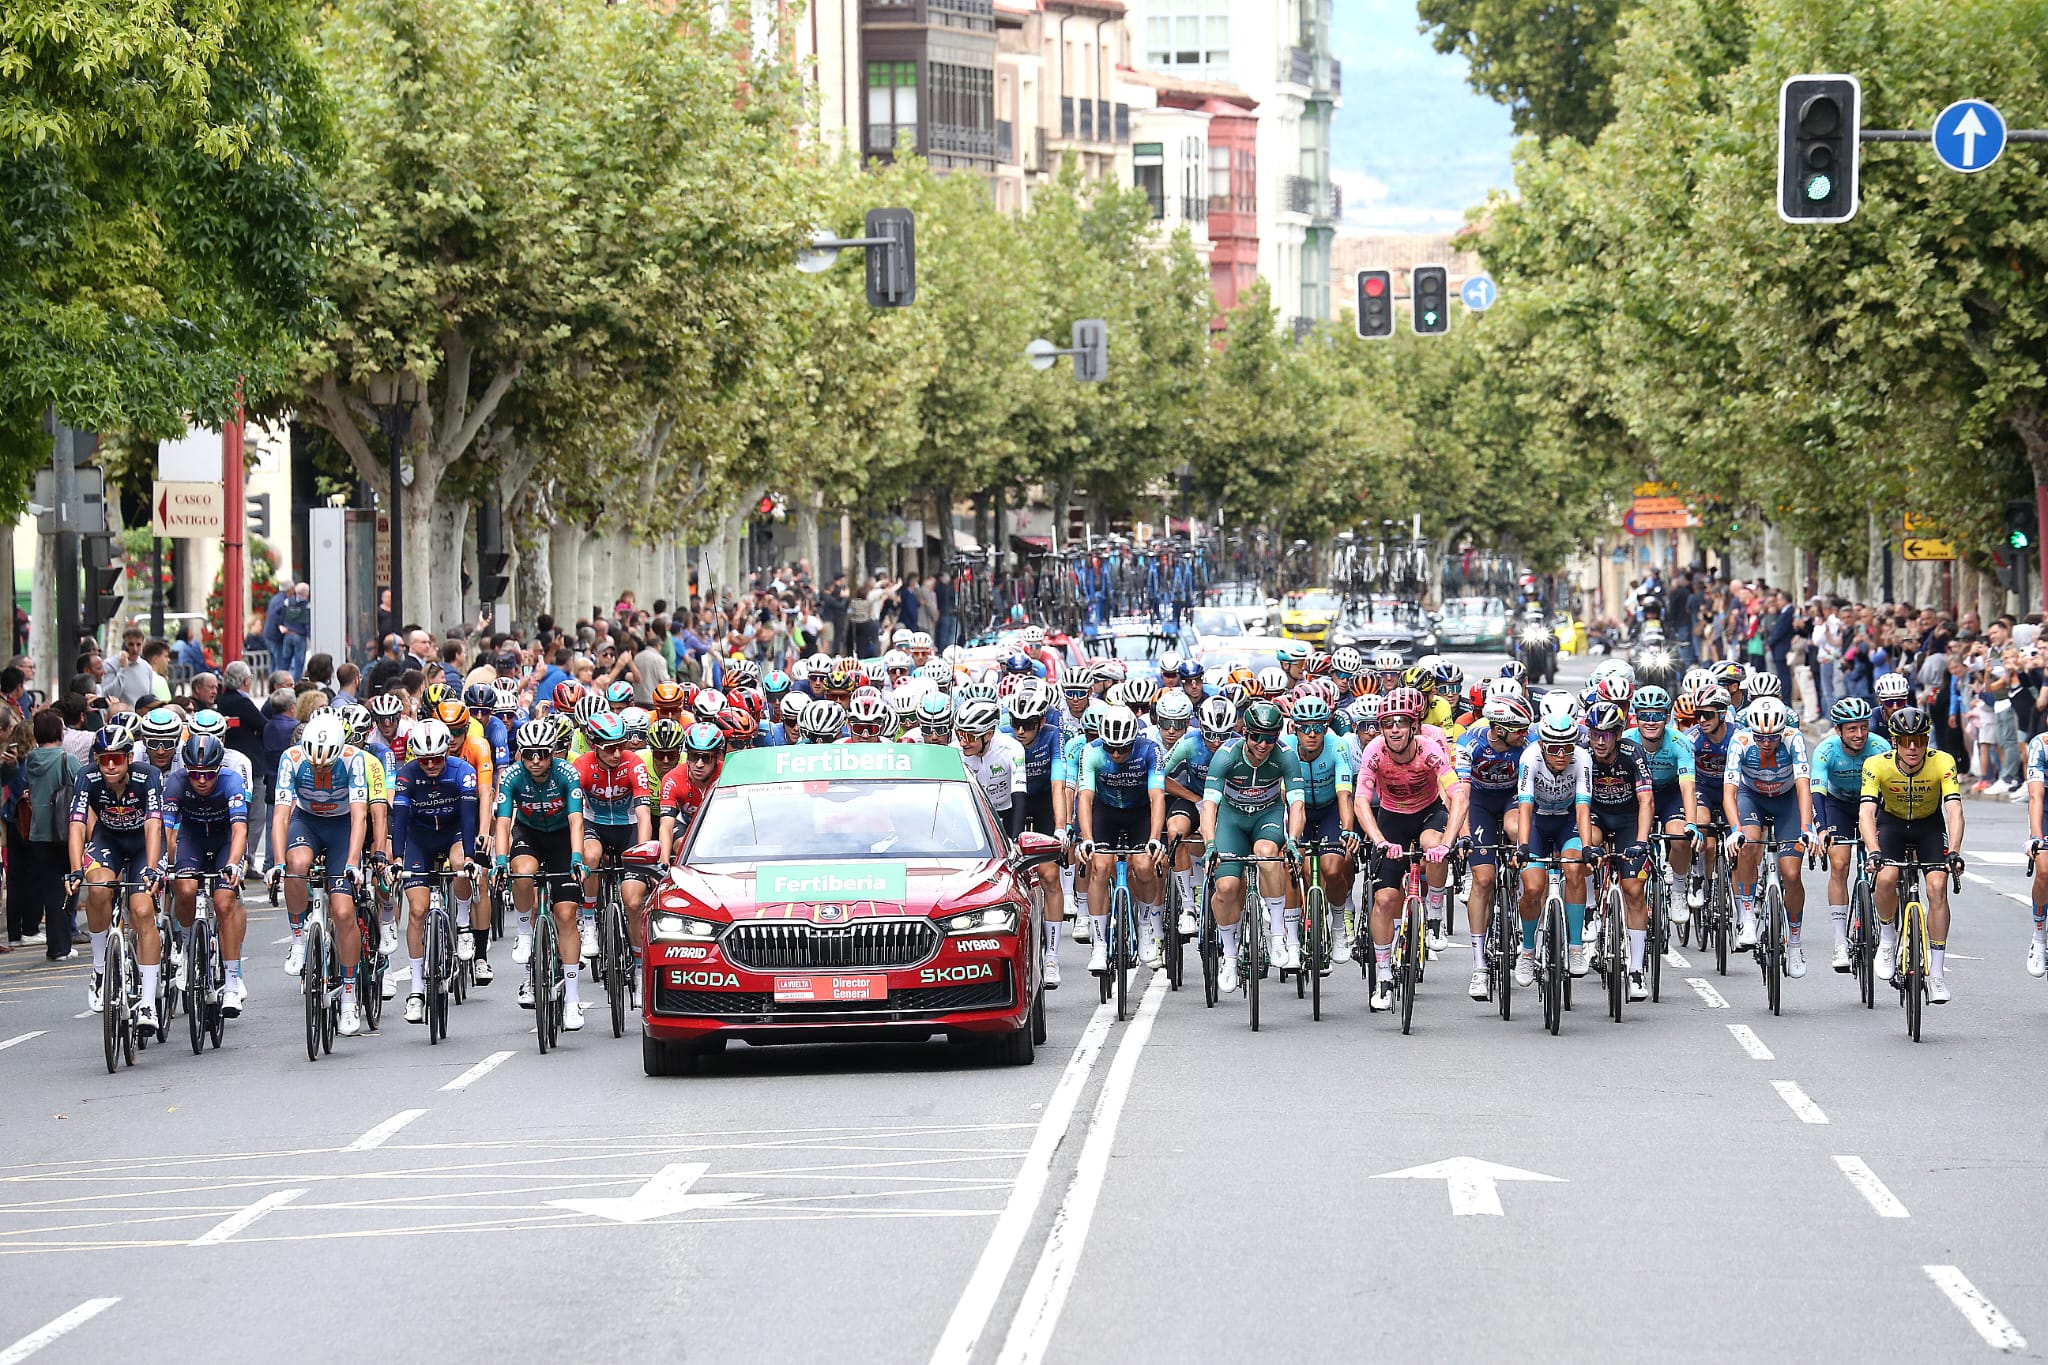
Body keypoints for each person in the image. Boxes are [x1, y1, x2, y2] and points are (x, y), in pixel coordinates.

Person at [272, 714, 371, 1037]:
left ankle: (349, 995)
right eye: (315, 765)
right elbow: (281, 816)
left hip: (342, 827)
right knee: (296, 865)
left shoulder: (353, 759)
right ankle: (299, 938)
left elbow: (359, 817)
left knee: (343, 912)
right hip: (308, 822)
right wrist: (277, 862)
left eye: (325, 766)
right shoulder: (293, 758)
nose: (319, 770)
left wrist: (353, 861)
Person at [1862, 706, 1963, 1005]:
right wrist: (1874, 851)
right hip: (1892, 824)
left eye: (1919, 740)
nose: (1913, 748)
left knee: (1936, 886)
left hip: (1929, 826)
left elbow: (1954, 810)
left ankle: (1937, 973)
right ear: (1895, 741)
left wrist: (1955, 850)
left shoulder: (1942, 761)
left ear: (1926, 740)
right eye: (1906, 741)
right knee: (1886, 877)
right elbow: (1866, 812)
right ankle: (1887, 938)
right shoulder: (1876, 764)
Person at [69, 726, 167, 1031]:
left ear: (127, 758)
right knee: (97, 888)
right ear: (97, 760)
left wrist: (151, 867)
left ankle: (148, 1002)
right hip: (108, 840)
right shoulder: (87, 777)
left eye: (117, 759)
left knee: (141, 910)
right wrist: (74, 868)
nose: (110, 765)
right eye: (104, 759)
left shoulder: (147, 775)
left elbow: (153, 823)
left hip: (143, 845)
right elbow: (76, 823)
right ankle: (100, 968)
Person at [17, 710, 81, 959]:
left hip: (37, 831)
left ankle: (57, 945)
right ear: (58, 731)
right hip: (64, 831)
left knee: (50, 889)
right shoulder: (67, 759)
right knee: (68, 887)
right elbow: (82, 787)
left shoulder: (31, 759)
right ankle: (61, 946)